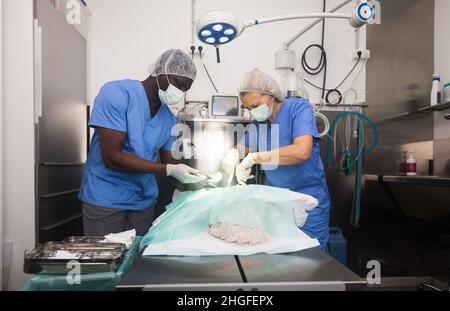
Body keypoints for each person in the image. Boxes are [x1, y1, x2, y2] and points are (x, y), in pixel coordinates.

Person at [79, 49, 204, 236]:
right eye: (178, 84)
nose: (180, 92)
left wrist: (195, 182)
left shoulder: (168, 119)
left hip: (142, 202)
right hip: (106, 199)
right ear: (161, 73)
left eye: (185, 89)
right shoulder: (117, 94)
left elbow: (169, 160)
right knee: (105, 261)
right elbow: (112, 157)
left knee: (136, 261)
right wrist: (169, 170)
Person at [234, 68, 331, 249]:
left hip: (309, 203)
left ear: (270, 95)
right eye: (248, 109)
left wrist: (255, 157)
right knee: (284, 261)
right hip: (278, 205)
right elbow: (240, 149)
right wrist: (229, 157)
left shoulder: (298, 108)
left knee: (312, 259)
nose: (252, 112)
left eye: (255, 106)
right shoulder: (260, 123)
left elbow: (302, 152)